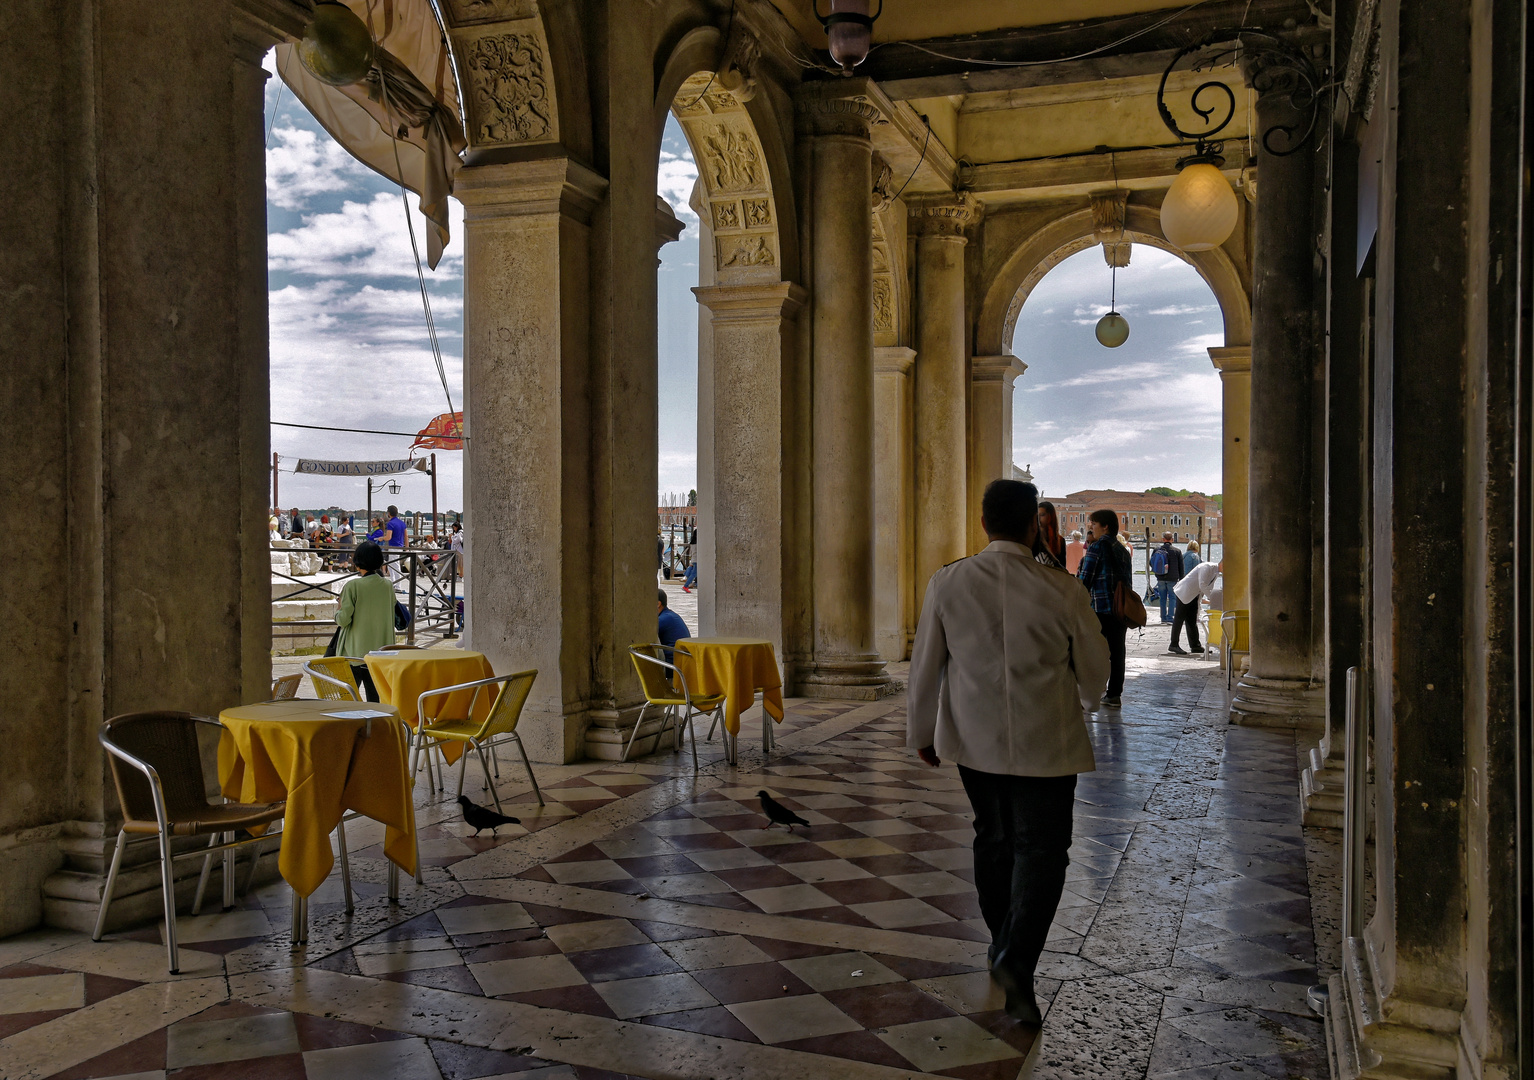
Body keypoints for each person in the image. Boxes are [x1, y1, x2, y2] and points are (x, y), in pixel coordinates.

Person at [908, 479, 1108, 1025]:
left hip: (975, 741)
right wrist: (1086, 694)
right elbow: (1095, 674)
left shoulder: (948, 582)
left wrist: (921, 733)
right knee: (1042, 852)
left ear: (982, 524)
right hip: (1049, 742)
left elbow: (925, 665)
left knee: (993, 839)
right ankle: (1018, 958)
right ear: (1031, 526)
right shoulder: (1062, 589)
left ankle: (1001, 944)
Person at [1078, 509, 1132, 708]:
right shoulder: (1122, 549)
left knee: (1092, 651)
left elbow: (1085, 580)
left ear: (1105, 526)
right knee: (1118, 652)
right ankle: (1114, 694)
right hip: (1120, 609)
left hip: (1101, 608)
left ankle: (1092, 690)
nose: (1091, 526)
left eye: (1093, 523)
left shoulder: (1096, 548)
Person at [333, 541, 396, 701]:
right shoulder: (387, 585)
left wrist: (338, 609)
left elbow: (343, 620)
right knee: (375, 700)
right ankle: (373, 726)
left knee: (348, 699)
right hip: (380, 653)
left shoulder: (352, 586)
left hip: (355, 653)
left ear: (358, 560)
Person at [1170, 559, 1222, 655]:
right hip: (1184, 592)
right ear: (1222, 564)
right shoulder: (1207, 567)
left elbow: (1209, 587)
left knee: (1192, 620)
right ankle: (1173, 644)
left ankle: (1195, 645)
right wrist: (1212, 598)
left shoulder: (1216, 572)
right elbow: (1202, 584)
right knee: (1179, 619)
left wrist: (1211, 598)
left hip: (1194, 595)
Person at [1151, 532, 1184, 624]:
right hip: (1173, 578)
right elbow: (1181, 567)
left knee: (1162, 598)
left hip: (1160, 578)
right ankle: (1170, 617)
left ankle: (1163, 618)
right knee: (1173, 597)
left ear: (1163, 539)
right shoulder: (1177, 551)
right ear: (1172, 540)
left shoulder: (1157, 549)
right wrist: (1181, 579)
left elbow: (1151, 562)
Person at [657, 588, 690, 661]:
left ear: (658, 604)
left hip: (672, 663)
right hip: (683, 660)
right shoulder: (670, 615)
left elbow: (645, 636)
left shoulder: (663, 619)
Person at [1033, 502, 1067, 570]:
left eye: (1042, 515)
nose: (1038, 519)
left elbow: (1062, 566)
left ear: (1050, 516)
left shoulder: (1060, 541)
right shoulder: (1033, 539)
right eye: (1037, 515)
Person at [385, 504, 407, 582]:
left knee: (395, 566)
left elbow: (388, 537)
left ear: (389, 513)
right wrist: (406, 548)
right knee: (391, 565)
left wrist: (381, 538)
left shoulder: (390, 523)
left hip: (393, 546)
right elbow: (406, 536)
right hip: (400, 546)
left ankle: (397, 585)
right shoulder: (402, 523)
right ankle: (393, 582)